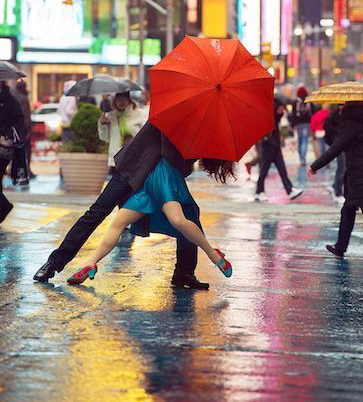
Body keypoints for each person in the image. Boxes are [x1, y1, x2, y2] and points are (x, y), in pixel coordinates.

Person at [33, 122, 227, 289]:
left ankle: (184, 273)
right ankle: (53, 263)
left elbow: (182, 164)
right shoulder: (169, 113)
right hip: (133, 168)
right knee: (97, 213)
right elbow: (167, 152)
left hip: (157, 179)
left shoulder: (197, 129)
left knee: (189, 214)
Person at [66, 151, 234, 285]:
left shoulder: (190, 135)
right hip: (151, 178)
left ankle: (214, 256)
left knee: (178, 220)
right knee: (118, 223)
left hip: (164, 176)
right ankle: (90, 263)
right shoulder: (184, 128)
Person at [307, 101, 363, 263]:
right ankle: (340, 246)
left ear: (348, 107)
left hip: (360, 171)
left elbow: (335, 148)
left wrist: (315, 166)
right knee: (349, 208)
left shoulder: (350, 124)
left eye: (342, 106)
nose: (340, 108)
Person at [255, 98, 303, 202]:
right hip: (268, 148)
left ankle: (289, 190)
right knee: (264, 171)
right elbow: (265, 134)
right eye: (280, 109)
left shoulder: (277, 118)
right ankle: (259, 192)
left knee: (282, 170)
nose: (282, 111)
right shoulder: (268, 118)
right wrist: (269, 141)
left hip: (276, 149)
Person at [98, 91, 146, 172]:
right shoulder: (110, 116)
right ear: (115, 100)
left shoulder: (139, 114)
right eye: (118, 99)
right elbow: (104, 138)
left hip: (135, 159)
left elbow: (146, 136)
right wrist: (103, 125)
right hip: (116, 161)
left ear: (129, 100)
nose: (121, 102)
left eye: (124, 99)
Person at [0, 81, 25, 223]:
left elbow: (19, 119)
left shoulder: (9, 99)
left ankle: (4, 207)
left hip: (3, 148)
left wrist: (7, 133)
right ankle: (3, 207)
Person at [12, 80, 36, 179]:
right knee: (26, 150)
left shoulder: (10, 97)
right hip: (22, 129)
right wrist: (29, 130)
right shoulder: (23, 98)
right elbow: (26, 115)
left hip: (12, 128)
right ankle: (26, 172)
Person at [324, 106, 345, 205]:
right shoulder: (333, 115)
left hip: (347, 143)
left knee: (346, 167)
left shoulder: (350, 115)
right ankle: (338, 193)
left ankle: (334, 186)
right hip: (338, 143)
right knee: (342, 167)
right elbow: (327, 127)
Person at [289, 85, 314, 166]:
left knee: (300, 140)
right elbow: (313, 112)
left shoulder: (295, 102)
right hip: (307, 123)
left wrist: (292, 125)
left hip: (298, 124)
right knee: (305, 141)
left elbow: (293, 114)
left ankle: (301, 157)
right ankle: (303, 158)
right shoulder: (309, 101)